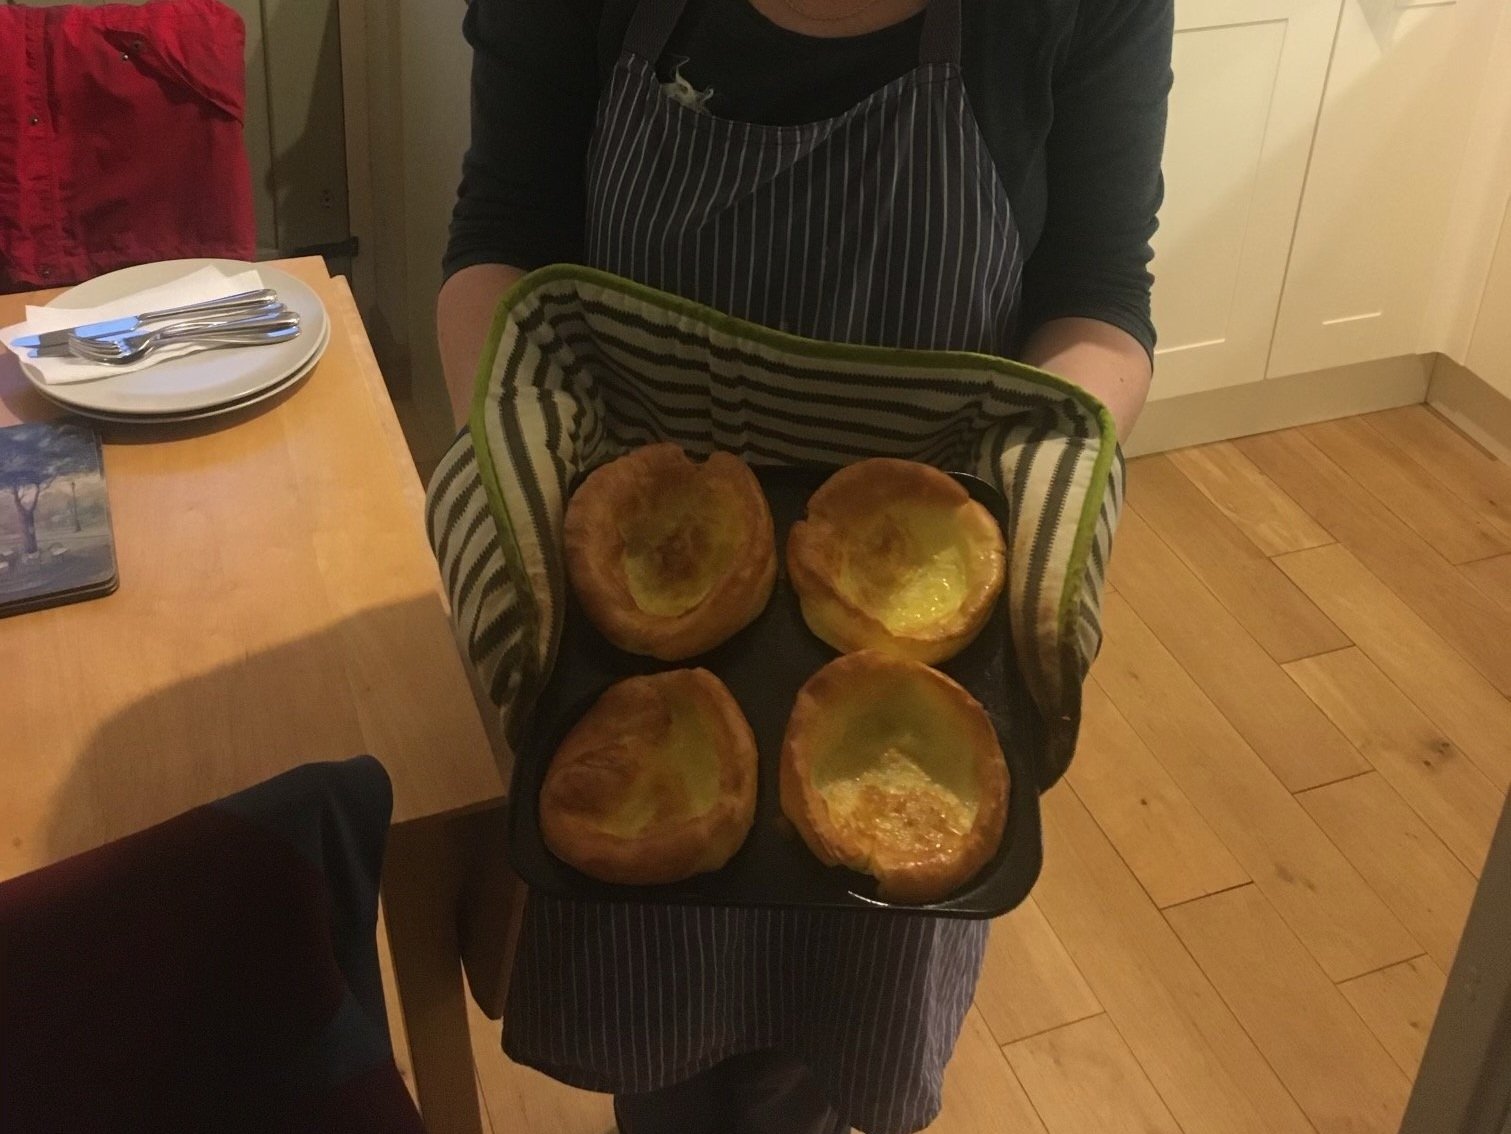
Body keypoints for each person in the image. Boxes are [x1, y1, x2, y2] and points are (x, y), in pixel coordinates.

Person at [437, 0, 1171, 1128]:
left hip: (919, 638)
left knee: (829, 1058)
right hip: (625, 626)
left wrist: (1054, 474)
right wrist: (514, 448)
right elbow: (503, 232)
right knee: (662, 1046)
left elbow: (1097, 286)